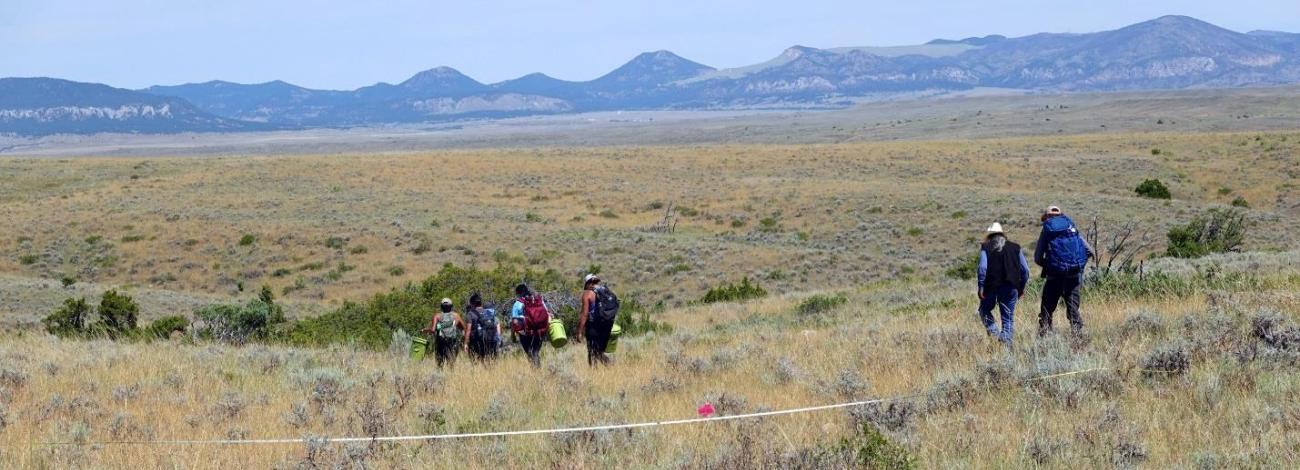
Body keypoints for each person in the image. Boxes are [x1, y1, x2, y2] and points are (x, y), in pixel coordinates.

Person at [1034, 206, 1095, 337]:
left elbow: (1037, 258)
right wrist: (1078, 266)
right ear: (1061, 215)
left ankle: (1045, 339)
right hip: (1073, 277)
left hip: (1054, 277)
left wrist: (1051, 265)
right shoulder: (1071, 228)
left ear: (1047, 217)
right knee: (1073, 310)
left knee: (1047, 309)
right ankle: (1078, 340)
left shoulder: (1047, 230)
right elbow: (1090, 251)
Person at [977, 223, 1029, 345]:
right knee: (1008, 318)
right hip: (1011, 287)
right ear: (1003, 235)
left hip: (991, 287)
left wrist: (981, 286)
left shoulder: (986, 247)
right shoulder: (1016, 247)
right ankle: (1005, 344)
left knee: (984, 310)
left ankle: (995, 334)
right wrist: (1021, 288)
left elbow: (982, 268)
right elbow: (1025, 270)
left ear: (989, 236)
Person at [576, 274, 618, 366]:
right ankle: (610, 366)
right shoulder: (605, 291)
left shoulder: (587, 293)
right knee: (598, 351)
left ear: (588, 283)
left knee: (592, 351)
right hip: (606, 325)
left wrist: (579, 331)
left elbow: (585, 313)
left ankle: (594, 372)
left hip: (593, 325)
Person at [510, 283, 551, 368]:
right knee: (535, 352)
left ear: (518, 293)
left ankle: (535, 371)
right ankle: (538, 370)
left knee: (529, 352)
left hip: (525, 332)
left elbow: (514, 321)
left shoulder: (517, 304)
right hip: (540, 330)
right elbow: (547, 314)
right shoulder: (538, 300)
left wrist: (513, 335)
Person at [421, 298, 467, 369]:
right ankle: (451, 378)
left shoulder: (437, 316)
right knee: (451, 364)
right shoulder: (456, 316)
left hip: (440, 342)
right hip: (452, 342)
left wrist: (425, 330)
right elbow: (464, 328)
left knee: (439, 364)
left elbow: (433, 330)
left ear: (441, 306)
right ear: (451, 306)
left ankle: (440, 376)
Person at [464, 292, 501, 362]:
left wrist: (466, 343)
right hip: (490, 339)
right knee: (489, 360)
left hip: (476, 341)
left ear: (472, 304)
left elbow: (468, 330)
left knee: (476, 361)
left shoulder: (470, 314)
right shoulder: (488, 312)